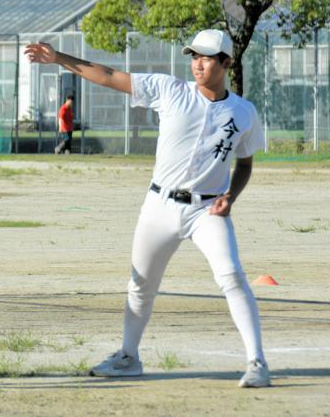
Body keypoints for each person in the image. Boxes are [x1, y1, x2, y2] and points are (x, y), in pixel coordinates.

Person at [25, 29, 270, 388]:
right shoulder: (170, 90)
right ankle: (128, 356)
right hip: (160, 205)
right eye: (194, 55)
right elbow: (108, 76)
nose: (197, 63)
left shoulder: (244, 113)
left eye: (206, 57)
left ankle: (258, 363)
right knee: (141, 284)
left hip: (206, 212)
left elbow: (245, 164)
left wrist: (231, 196)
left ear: (226, 63)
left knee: (231, 276)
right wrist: (59, 58)